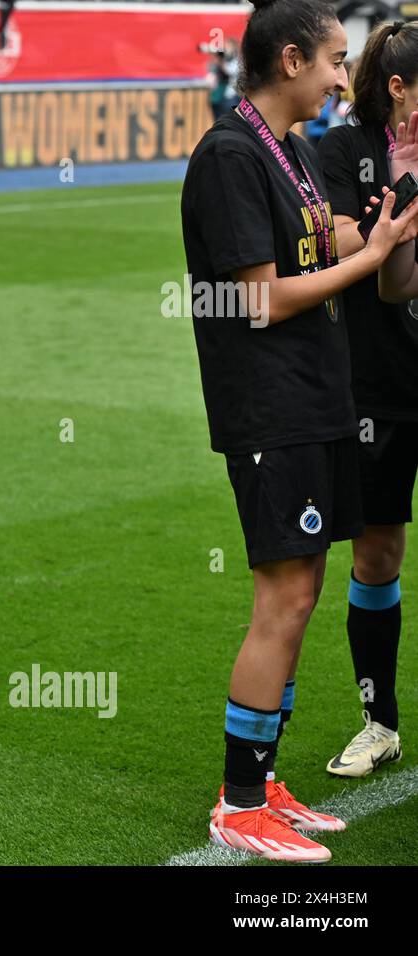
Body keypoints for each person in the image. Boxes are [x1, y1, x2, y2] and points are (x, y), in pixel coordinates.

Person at [180, 0, 418, 862]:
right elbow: (258, 295)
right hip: (267, 408)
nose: (341, 78)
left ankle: (265, 780)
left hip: (315, 400)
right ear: (289, 61)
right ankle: (239, 802)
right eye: (333, 60)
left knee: (304, 593)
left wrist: (385, 226)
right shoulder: (231, 154)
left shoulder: (290, 150)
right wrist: (363, 260)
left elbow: (325, 239)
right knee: (279, 600)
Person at [315, 20, 417, 780]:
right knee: (377, 552)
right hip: (376, 386)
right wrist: (399, 200)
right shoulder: (339, 151)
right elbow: (346, 244)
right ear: (398, 88)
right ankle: (379, 722)